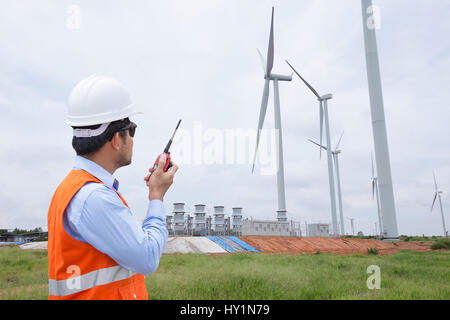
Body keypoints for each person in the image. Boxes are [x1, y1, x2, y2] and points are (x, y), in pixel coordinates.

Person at [47, 74, 178, 300]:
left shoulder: (71, 189)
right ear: (117, 139)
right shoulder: (94, 197)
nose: (133, 138)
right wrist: (156, 196)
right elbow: (147, 257)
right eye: (132, 130)